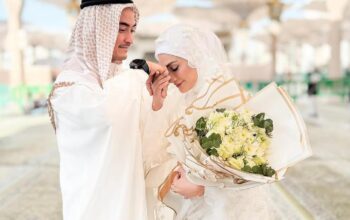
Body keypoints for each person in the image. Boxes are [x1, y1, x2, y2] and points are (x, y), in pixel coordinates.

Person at [47, 1, 169, 219]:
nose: (129, 39)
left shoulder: (121, 82)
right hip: (93, 208)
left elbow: (139, 144)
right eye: (121, 29)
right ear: (96, 29)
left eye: (132, 30)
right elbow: (104, 112)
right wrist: (142, 70)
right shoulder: (68, 88)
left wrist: (155, 105)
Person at [145, 24, 272, 220]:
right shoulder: (181, 99)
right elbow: (158, 151)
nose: (170, 78)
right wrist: (157, 104)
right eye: (165, 71)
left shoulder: (228, 98)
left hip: (225, 210)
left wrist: (203, 187)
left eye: (174, 67)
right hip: (189, 206)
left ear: (196, 58)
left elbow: (247, 170)